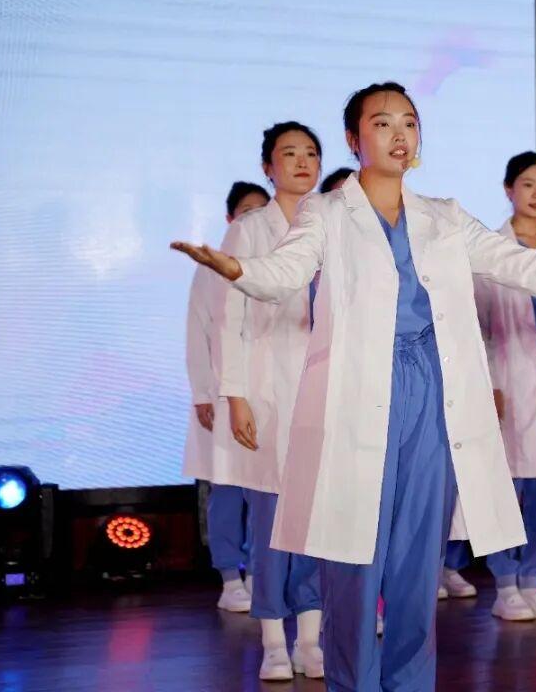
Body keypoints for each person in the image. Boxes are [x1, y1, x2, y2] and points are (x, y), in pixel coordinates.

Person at [171, 82, 536, 691]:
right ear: (354, 139)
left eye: (410, 122)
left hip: (434, 397)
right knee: (354, 562)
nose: (399, 134)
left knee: (417, 564)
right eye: (382, 123)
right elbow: (284, 273)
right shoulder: (328, 213)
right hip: (357, 398)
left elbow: (530, 269)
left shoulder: (444, 216)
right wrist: (237, 268)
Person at [211, 123, 325, 680]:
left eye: (311, 153)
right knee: (273, 522)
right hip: (267, 388)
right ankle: (274, 641)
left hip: (324, 388)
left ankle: (311, 638)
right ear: (268, 167)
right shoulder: (249, 229)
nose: (302, 162)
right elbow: (229, 317)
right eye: (289, 153)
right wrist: (235, 395)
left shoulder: (334, 222)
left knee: (318, 520)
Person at [473, 151, 536, 621]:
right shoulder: (490, 250)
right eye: (527, 184)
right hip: (509, 375)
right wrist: (491, 383)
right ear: (508, 189)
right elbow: (480, 327)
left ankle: (534, 579)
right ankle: (505, 582)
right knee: (507, 482)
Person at [183, 181, 269, 612]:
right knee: (229, 491)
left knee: (264, 494)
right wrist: (204, 392)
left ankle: (259, 573)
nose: (254, 219)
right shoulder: (209, 269)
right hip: (223, 396)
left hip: (268, 397)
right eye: (246, 211)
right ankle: (230, 578)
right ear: (230, 218)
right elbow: (198, 334)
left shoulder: (278, 266)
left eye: (261, 210)